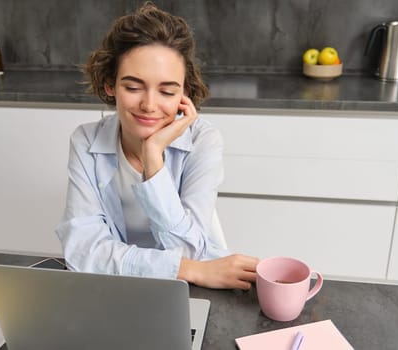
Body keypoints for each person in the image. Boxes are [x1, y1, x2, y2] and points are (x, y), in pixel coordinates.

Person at [56, 2, 259, 290]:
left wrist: (152, 158)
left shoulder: (203, 140)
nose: (149, 105)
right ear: (109, 85)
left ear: (184, 94)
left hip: (187, 289)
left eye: (166, 91)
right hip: (122, 286)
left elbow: (189, 249)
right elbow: (82, 252)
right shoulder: (85, 140)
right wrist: (188, 269)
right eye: (133, 87)